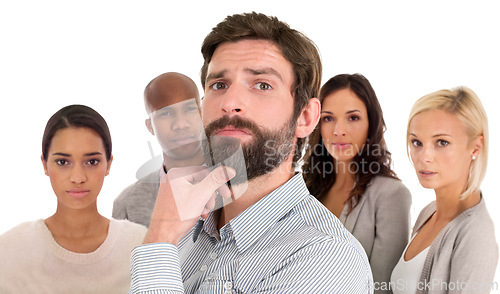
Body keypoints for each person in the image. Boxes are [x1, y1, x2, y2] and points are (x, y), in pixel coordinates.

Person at [129, 12, 373, 293]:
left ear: (305, 117)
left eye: (262, 85)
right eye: (219, 85)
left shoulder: (326, 259)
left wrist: (159, 238)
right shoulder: (185, 231)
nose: (230, 102)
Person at [0, 105, 147, 293]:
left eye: (92, 162)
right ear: (45, 164)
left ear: (109, 163)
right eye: (63, 162)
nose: (78, 177)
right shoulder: (11, 250)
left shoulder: (140, 245)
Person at [302, 73, 412, 293]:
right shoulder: (305, 187)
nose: (338, 130)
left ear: (371, 124)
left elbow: (381, 287)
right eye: (328, 118)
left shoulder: (391, 195)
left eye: (353, 118)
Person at [390, 87, 498, 294]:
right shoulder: (428, 213)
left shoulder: (476, 235)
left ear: (475, 147)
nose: (424, 156)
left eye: (442, 142)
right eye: (417, 142)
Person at [112, 72, 204, 227]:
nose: (181, 124)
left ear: (202, 114)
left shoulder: (236, 182)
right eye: (166, 113)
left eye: (189, 109)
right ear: (150, 126)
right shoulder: (127, 203)